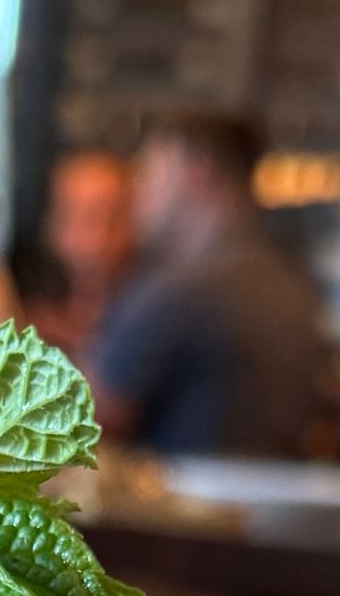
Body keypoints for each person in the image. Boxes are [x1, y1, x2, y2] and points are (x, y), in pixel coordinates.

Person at [92, 112, 322, 460]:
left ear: (194, 173)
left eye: (150, 174)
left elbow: (83, 421)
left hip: (178, 508)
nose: (138, 193)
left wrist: (4, 326)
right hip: (258, 507)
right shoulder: (294, 288)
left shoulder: (185, 289)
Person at [45, 151, 136, 358]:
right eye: (88, 219)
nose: (101, 237)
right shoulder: (39, 309)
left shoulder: (147, 310)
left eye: (115, 217)